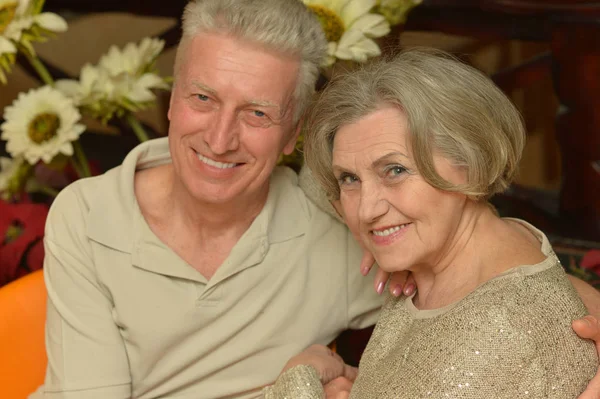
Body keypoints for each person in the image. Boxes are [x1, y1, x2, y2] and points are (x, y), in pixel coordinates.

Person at [29, 1, 600, 398]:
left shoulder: (345, 228)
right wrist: (299, 382)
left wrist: (580, 314)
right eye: (203, 98)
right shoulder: (89, 214)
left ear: (293, 134)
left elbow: (506, 288)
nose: (220, 138)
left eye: (257, 113)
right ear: (172, 100)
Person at [265, 48, 599, 398]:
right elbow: (318, 183)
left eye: (395, 170)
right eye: (349, 178)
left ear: (471, 161)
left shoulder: (496, 332)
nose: (365, 210)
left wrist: (299, 378)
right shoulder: (493, 241)